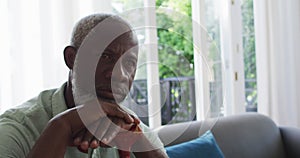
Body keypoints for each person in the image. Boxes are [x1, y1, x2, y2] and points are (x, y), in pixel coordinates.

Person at [0, 13, 168, 158]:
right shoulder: (16, 129)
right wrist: (62, 126)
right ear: (72, 58)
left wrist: (136, 140)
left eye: (129, 62)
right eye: (105, 57)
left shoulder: (132, 127)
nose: (119, 74)